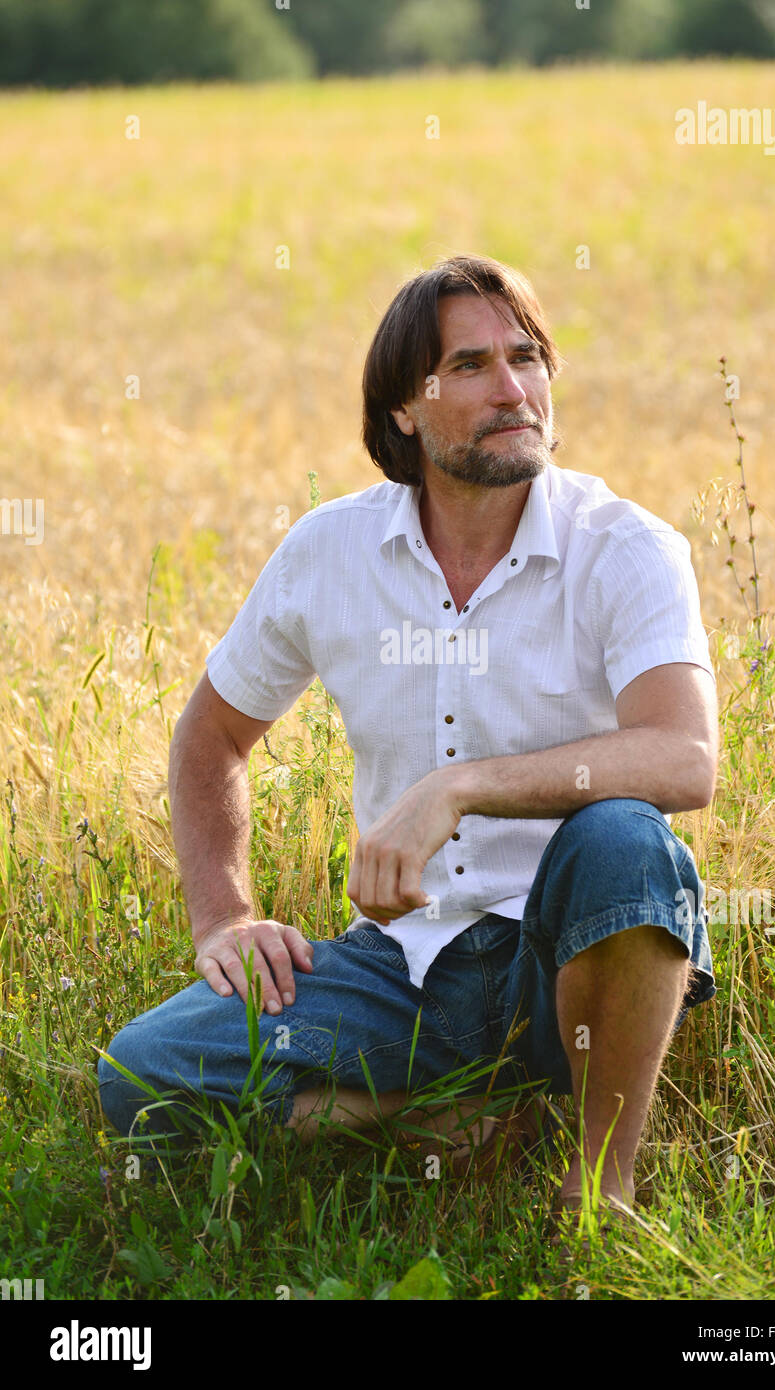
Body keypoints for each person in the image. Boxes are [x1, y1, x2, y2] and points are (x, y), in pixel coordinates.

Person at [98, 253, 718, 1225]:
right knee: (143, 1075)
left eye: (528, 357)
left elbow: (685, 757)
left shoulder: (626, 546)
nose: (514, 389)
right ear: (402, 409)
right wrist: (223, 915)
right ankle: (447, 1120)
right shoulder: (328, 554)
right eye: (469, 367)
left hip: (563, 967)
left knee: (628, 840)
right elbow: (211, 733)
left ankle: (600, 1187)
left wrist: (460, 787)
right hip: (403, 969)